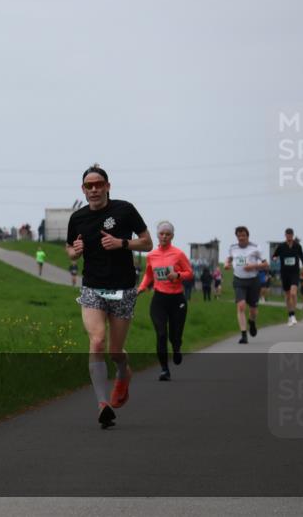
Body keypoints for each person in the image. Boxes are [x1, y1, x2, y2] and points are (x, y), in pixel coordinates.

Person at [66, 164, 152, 429]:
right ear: (83, 189)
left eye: (98, 184)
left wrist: (122, 243)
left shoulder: (124, 210)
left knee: (115, 350)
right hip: (92, 287)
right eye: (89, 186)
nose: (94, 189)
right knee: (97, 340)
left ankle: (124, 373)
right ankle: (103, 404)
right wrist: (75, 251)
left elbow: (147, 243)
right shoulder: (78, 218)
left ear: (107, 186)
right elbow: (69, 249)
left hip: (123, 287)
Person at [138, 221, 193, 381]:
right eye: (161, 233)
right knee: (161, 334)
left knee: (175, 335)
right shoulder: (151, 255)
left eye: (167, 234)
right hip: (159, 299)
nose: (164, 236)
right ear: (157, 235)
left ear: (172, 236)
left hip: (177, 299)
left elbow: (189, 272)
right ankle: (164, 369)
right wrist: (141, 288)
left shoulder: (178, 254)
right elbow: (149, 274)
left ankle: (176, 348)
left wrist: (178, 275)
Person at [224, 226, 269, 344]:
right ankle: (244, 335)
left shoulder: (255, 248)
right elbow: (229, 258)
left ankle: (252, 322)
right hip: (239, 280)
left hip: (253, 280)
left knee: (253, 310)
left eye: (243, 235)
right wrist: (226, 264)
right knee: (241, 306)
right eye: (239, 236)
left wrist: (253, 266)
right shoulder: (233, 248)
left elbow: (266, 264)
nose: (241, 238)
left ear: (247, 236)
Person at [273, 228, 303, 326]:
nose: (289, 236)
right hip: (285, 273)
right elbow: (274, 255)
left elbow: (302, 256)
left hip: (295, 272)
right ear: (285, 235)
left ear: (293, 235)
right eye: (288, 234)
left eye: (291, 234)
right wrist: (274, 258)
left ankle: (293, 315)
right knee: (287, 296)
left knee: (293, 293)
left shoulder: (297, 246)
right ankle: (290, 315)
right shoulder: (281, 246)